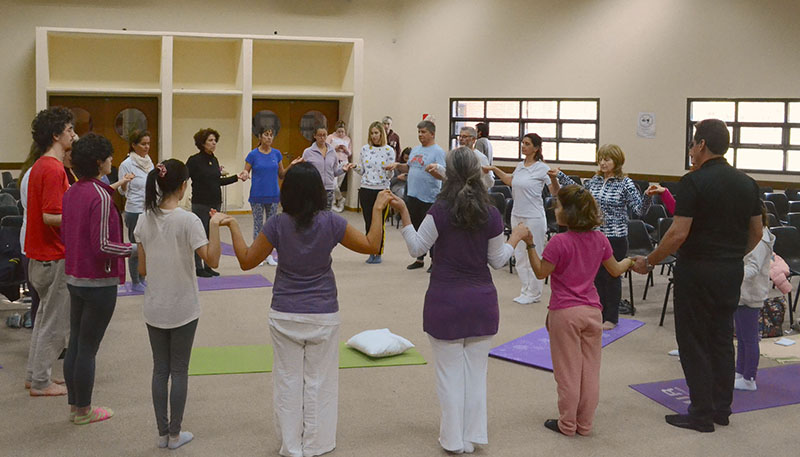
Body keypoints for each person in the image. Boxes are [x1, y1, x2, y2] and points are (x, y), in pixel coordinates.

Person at [223, 162, 389, 457]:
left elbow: (247, 260)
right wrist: (376, 211)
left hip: (284, 313)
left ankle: (291, 446)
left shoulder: (277, 224)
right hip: (323, 314)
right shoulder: (330, 222)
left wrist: (234, 226)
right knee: (320, 381)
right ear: (317, 192)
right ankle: (317, 444)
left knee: (287, 381)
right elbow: (372, 245)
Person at [389, 147, 528, 454]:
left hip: (445, 302)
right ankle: (472, 436)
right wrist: (514, 237)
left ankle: (453, 439)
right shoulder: (490, 212)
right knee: (476, 375)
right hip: (481, 302)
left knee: (449, 376)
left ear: (448, 174)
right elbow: (497, 260)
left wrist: (404, 213)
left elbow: (416, 248)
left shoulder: (439, 210)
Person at [631, 119, 762, 432]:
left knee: (692, 340)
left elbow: (677, 234)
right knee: (720, 337)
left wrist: (649, 261)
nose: (690, 150)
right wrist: (730, 255)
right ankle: (721, 409)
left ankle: (701, 413)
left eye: (692, 143)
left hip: (698, 270)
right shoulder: (747, 183)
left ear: (702, 144)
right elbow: (756, 233)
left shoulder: (693, 181)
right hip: (731, 269)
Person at [523, 185, 633, 436]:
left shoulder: (559, 242)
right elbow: (615, 270)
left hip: (565, 313)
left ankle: (568, 424)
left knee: (568, 372)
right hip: (593, 312)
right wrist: (629, 261)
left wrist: (530, 245)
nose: (556, 209)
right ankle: (585, 424)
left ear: (569, 213)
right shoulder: (601, 239)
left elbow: (541, 272)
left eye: (559, 206)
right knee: (590, 370)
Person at [135, 158, 225, 449]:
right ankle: (175, 435)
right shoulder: (189, 220)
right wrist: (215, 225)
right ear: (185, 186)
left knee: (159, 370)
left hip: (154, 306)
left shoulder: (143, 218)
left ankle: (163, 434)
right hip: (184, 307)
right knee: (179, 370)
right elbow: (212, 259)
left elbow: (142, 270)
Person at [61, 133, 135, 425]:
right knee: (87, 348)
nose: (112, 162)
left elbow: (69, 234)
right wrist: (134, 249)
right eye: (109, 158)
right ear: (98, 162)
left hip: (75, 277)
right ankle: (83, 410)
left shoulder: (71, 192)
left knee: (77, 342)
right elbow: (103, 245)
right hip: (97, 282)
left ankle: (74, 406)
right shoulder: (101, 196)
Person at [549, 144, 651, 329]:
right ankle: (598, 312)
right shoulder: (595, 180)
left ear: (617, 161)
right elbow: (580, 194)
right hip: (594, 235)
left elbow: (639, 210)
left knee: (611, 276)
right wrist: (561, 176)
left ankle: (611, 317)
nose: (603, 163)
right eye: (601, 159)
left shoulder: (625, 183)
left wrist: (648, 196)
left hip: (616, 237)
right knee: (594, 277)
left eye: (607, 159)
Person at [24, 107, 75, 397]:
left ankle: (36, 375)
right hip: (52, 255)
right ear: (56, 135)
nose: (73, 134)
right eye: (69, 129)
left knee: (44, 318)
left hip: (40, 254)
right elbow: (51, 216)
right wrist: (79, 217)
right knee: (54, 323)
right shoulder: (53, 168)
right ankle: (41, 382)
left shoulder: (41, 166)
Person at [485, 133, 552, 304]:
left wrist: (555, 179)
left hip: (534, 217)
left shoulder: (542, 168)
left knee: (534, 253)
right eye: (522, 143)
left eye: (527, 144)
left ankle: (535, 292)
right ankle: (526, 289)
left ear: (536, 148)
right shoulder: (520, 166)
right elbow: (510, 181)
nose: (523, 146)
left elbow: (555, 191)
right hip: (517, 214)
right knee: (520, 255)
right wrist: (494, 169)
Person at [384, 120, 446, 272]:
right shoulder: (415, 150)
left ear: (432, 134)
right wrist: (398, 165)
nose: (420, 135)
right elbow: (410, 167)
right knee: (416, 227)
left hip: (429, 196)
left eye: (423, 132)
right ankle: (419, 258)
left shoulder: (438, 152)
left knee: (430, 230)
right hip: (412, 194)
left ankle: (434, 260)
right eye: (419, 132)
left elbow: (443, 176)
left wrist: (434, 172)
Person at [239, 127, 303, 266]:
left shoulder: (276, 154)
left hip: (273, 195)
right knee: (258, 226)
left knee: (272, 226)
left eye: (271, 135)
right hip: (257, 195)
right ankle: (257, 255)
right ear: (260, 137)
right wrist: (244, 174)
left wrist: (292, 165)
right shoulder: (253, 155)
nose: (269, 138)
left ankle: (268, 255)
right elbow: (246, 170)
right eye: (266, 135)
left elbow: (281, 174)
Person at [186, 128, 242, 278]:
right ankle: (198, 267)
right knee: (200, 235)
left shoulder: (214, 159)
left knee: (212, 235)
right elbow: (184, 177)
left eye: (215, 140)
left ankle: (209, 264)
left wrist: (237, 177)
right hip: (200, 203)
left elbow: (218, 181)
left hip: (215, 202)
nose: (214, 143)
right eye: (210, 140)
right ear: (202, 143)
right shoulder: (194, 160)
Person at [734, 204, 773, 392]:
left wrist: (731, 274)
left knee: (749, 338)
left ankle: (750, 377)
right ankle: (740, 372)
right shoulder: (752, 235)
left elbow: (753, 268)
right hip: (742, 293)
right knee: (741, 337)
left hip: (751, 294)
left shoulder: (761, 239)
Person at [354, 121, 395, 264]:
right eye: (372, 133)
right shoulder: (365, 149)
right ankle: (370, 250)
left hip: (381, 189)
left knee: (379, 223)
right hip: (366, 188)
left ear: (381, 134)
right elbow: (363, 170)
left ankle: (378, 251)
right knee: (368, 222)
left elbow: (391, 175)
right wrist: (355, 167)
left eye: (376, 133)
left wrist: (391, 171)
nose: (374, 136)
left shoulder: (389, 150)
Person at [118, 129, 152, 292]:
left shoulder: (149, 161)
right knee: (136, 247)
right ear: (133, 145)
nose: (146, 147)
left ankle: (143, 277)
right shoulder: (127, 164)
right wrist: (125, 182)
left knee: (146, 247)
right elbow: (122, 191)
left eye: (148, 144)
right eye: (143, 144)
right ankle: (135, 281)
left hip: (148, 210)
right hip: (134, 210)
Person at [303, 127, 356, 211]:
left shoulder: (332, 152)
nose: (322, 138)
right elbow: (304, 171)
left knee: (327, 215)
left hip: (328, 188)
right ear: (315, 136)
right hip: (314, 188)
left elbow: (334, 171)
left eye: (324, 135)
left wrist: (343, 170)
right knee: (314, 214)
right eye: (319, 135)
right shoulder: (308, 152)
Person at [327, 121, 352, 212]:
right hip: (333, 162)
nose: (341, 134)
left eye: (343, 132)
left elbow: (350, 153)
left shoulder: (347, 139)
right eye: (339, 131)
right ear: (336, 131)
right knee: (333, 184)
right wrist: (335, 149)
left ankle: (335, 202)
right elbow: (326, 149)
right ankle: (340, 199)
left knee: (338, 184)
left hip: (344, 162)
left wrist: (345, 150)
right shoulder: (331, 137)